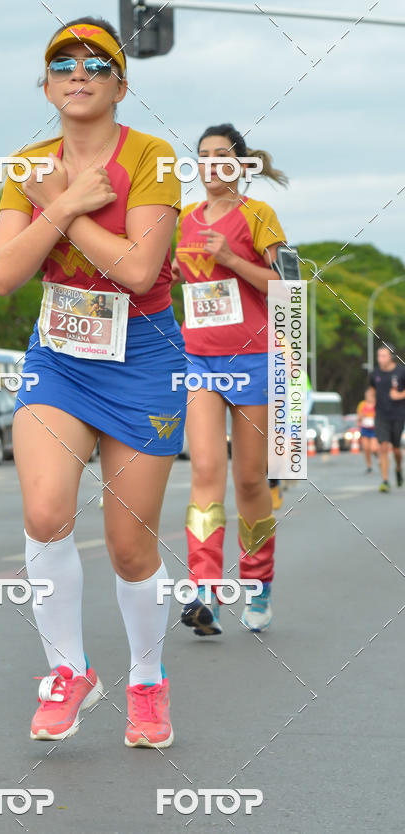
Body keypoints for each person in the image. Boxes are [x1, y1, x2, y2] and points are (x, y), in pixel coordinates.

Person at [0, 17, 186, 748]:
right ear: (46, 84)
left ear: (120, 84)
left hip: (143, 357)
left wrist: (56, 211)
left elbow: (137, 270)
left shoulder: (154, 157)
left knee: (130, 547)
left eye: (96, 63)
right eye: (62, 63)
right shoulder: (28, 164)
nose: (79, 72)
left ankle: (145, 681)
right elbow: (6, 275)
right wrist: (66, 202)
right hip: (61, 356)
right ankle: (69, 671)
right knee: (44, 514)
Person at [172, 122, 290, 635]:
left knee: (248, 479)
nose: (212, 164)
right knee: (204, 473)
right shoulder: (181, 220)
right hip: (197, 359)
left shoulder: (257, 215)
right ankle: (204, 593)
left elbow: (287, 285)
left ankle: (259, 584)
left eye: (223, 156)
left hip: (253, 359)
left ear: (242, 165)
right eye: (203, 156)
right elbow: (165, 275)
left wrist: (228, 258)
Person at [368, 343, 405, 492]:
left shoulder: (401, 372)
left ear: (391, 357)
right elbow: (371, 389)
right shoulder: (374, 374)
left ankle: (397, 468)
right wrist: (370, 397)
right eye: (378, 355)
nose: (380, 359)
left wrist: (400, 395)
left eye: (383, 356)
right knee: (383, 446)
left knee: (396, 449)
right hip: (381, 415)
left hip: (397, 414)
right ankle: (385, 480)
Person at [356, 387, 377, 473]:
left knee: (373, 448)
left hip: (374, 429)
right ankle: (369, 466)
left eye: (370, 395)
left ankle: (377, 454)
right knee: (366, 448)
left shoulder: (377, 404)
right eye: (367, 395)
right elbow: (358, 417)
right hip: (365, 429)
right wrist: (362, 416)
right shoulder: (362, 404)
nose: (368, 396)